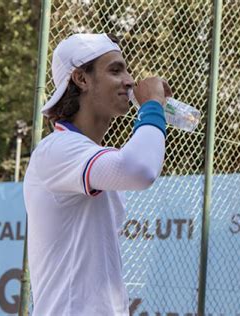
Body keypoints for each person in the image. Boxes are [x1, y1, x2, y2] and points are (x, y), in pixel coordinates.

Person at [23, 33, 170, 315]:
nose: (129, 80)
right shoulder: (57, 149)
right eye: (115, 70)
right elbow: (140, 169)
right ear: (82, 79)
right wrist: (152, 107)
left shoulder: (89, 153)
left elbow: (135, 161)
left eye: (127, 70)